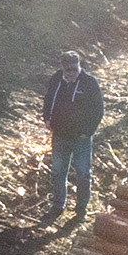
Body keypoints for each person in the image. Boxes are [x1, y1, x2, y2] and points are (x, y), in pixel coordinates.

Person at [41, 50, 105, 223]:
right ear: (62, 67)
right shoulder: (56, 79)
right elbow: (48, 99)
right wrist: (47, 118)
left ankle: (81, 209)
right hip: (60, 134)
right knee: (58, 172)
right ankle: (58, 205)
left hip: (81, 138)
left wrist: (88, 131)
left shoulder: (90, 83)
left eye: (74, 69)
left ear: (79, 66)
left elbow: (99, 109)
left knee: (83, 173)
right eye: (67, 70)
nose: (71, 73)